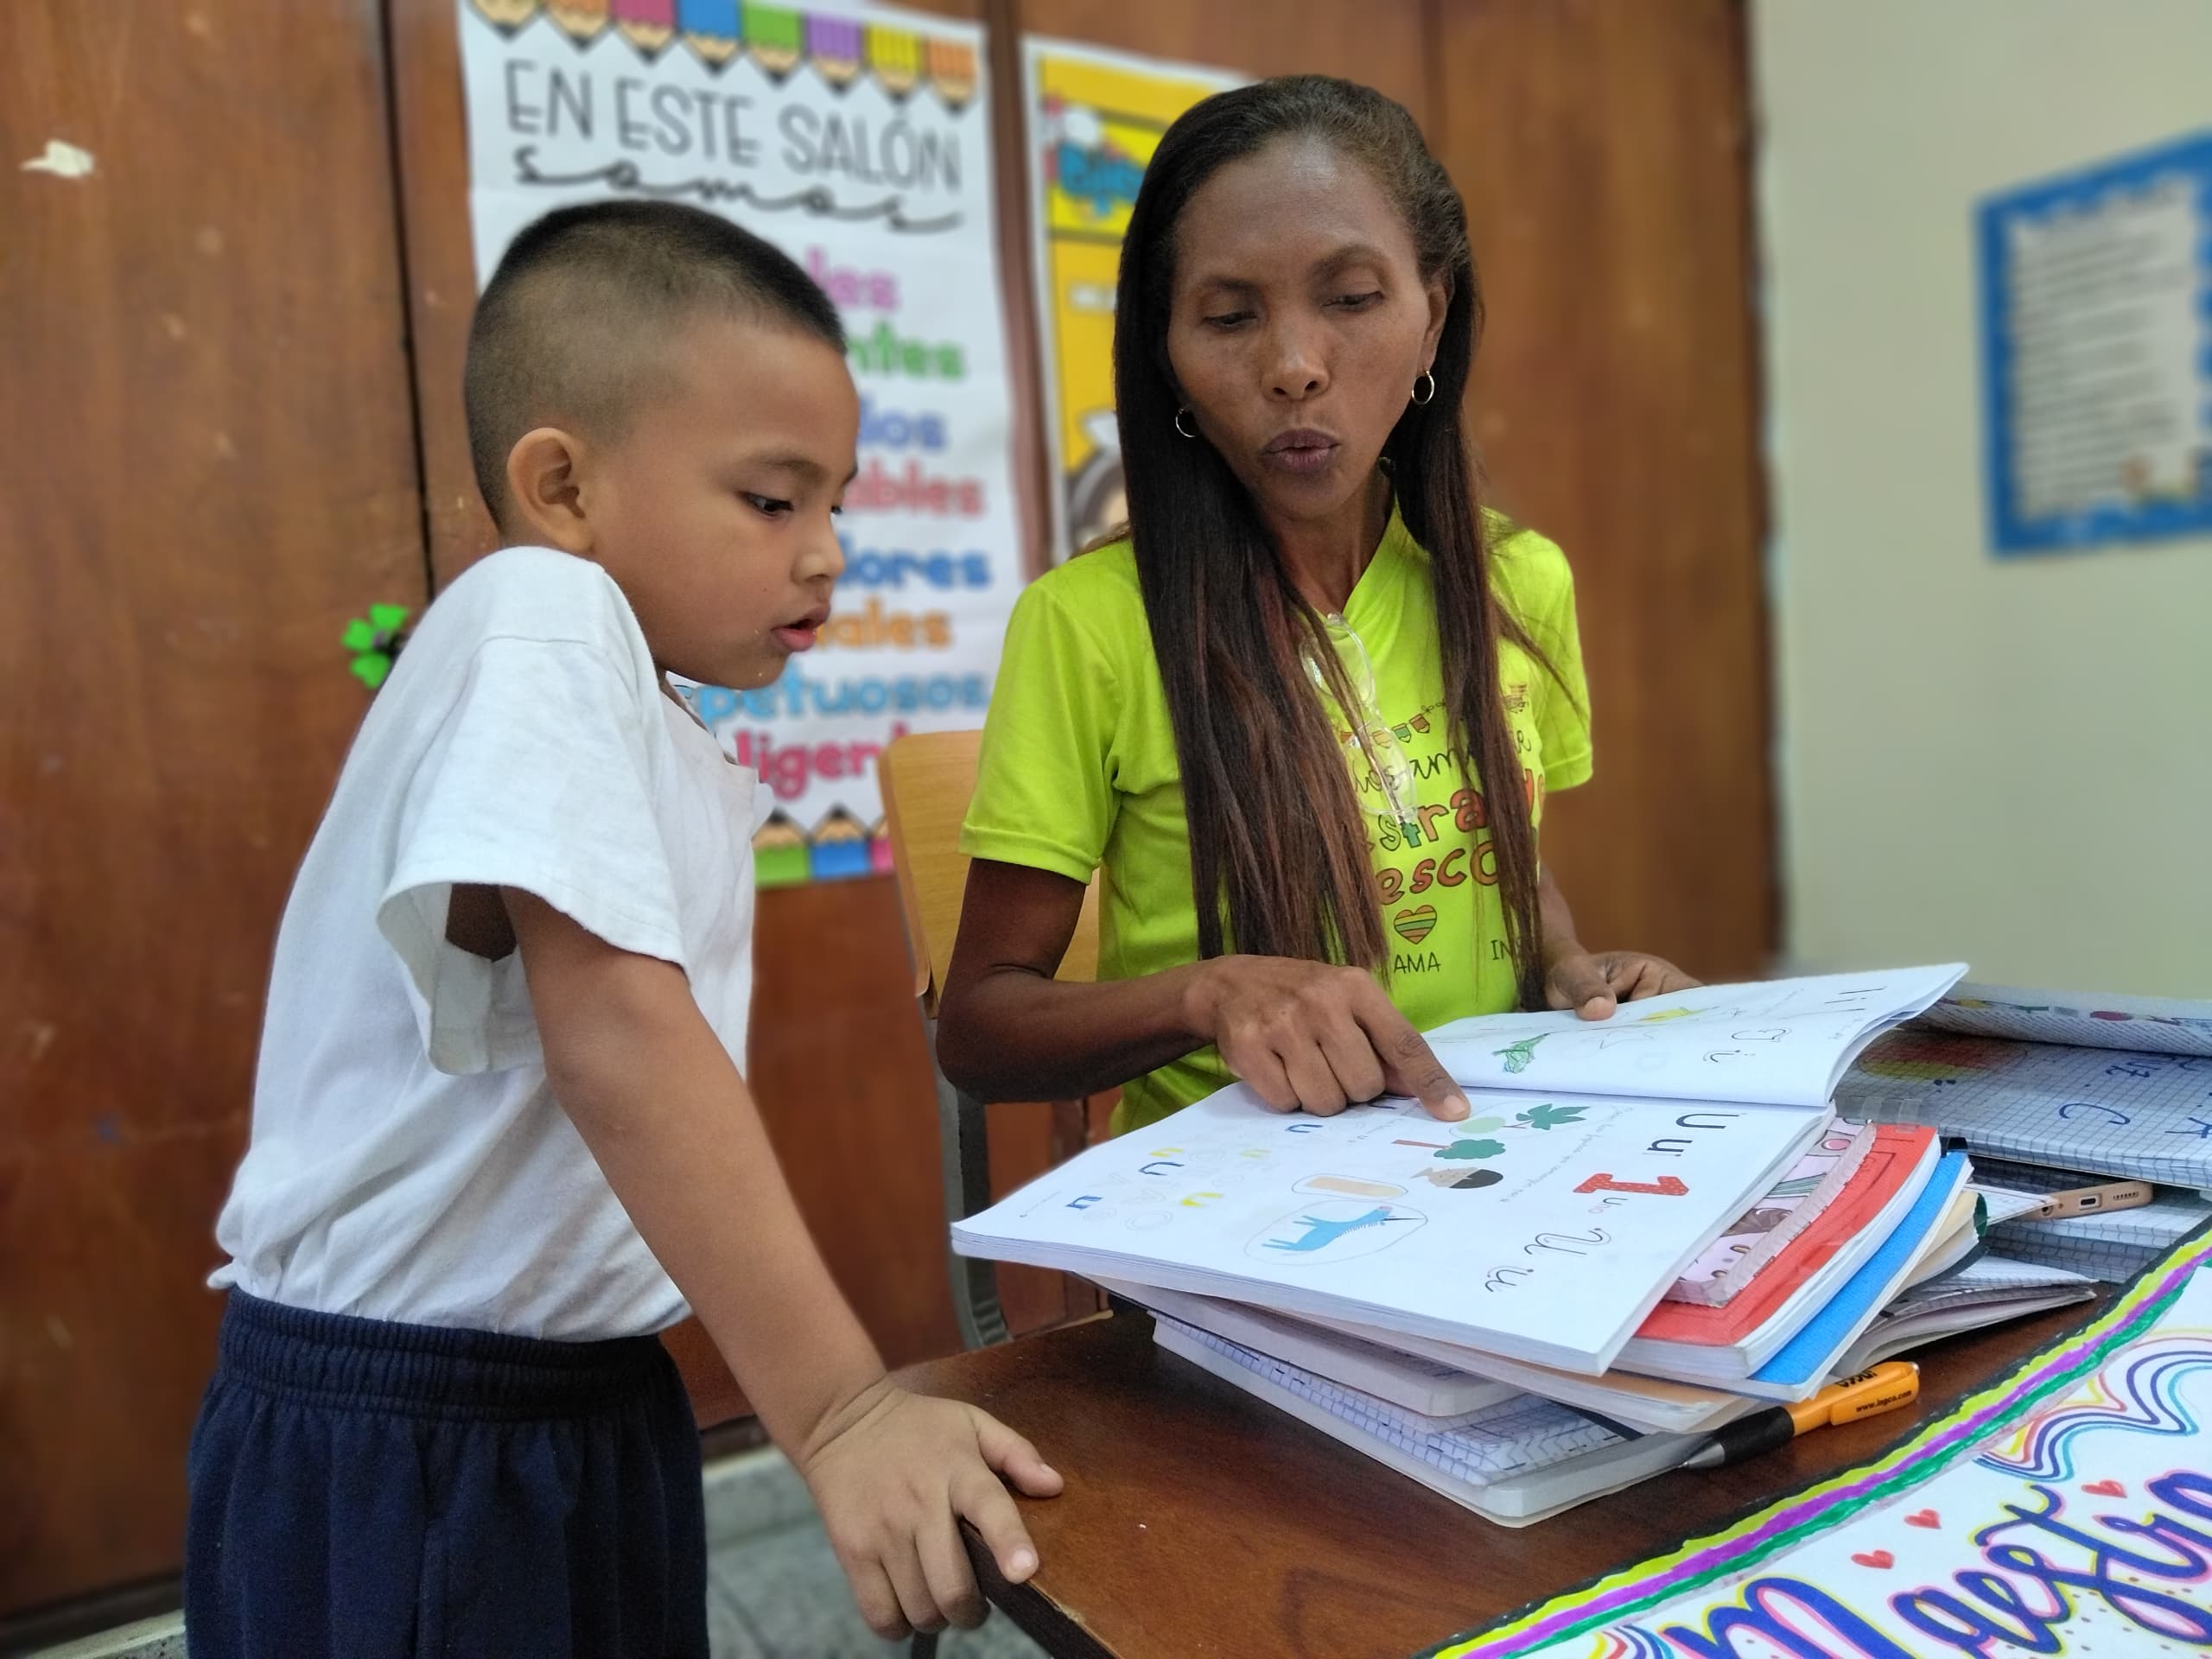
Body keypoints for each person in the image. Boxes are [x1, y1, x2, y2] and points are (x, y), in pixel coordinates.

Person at [187, 200, 1058, 1657]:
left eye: (837, 503)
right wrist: (841, 1412)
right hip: (409, 1427)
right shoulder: (540, 614)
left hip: (574, 1395)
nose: (827, 552)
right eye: (774, 503)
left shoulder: (633, 702)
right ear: (562, 487)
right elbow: (617, 1033)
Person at [938, 77, 1695, 1137]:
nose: (1293, 366)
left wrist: (1566, 964)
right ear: (1167, 350)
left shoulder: (1517, 581)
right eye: (1228, 315)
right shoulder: (1088, 623)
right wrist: (1206, 993)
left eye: (1349, 299)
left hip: (1479, 1154)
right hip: (1223, 1215)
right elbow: (977, 1033)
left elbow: (1506, 860)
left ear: (1431, 314)